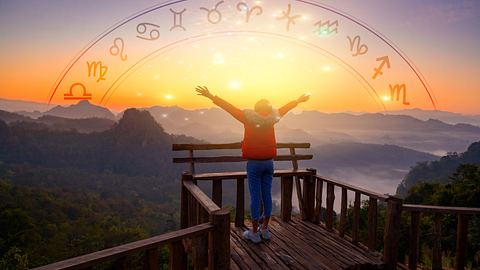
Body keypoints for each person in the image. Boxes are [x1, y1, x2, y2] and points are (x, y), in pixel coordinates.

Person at [195, 86, 310, 243]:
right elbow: (285, 108)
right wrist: (298, 100)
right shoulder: (273, 118)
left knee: (256, 197)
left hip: (254, 164)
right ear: (269, 109)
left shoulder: (246, 117)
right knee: (267, 195)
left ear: (255, 109)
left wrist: (211, 96)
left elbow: (228, 107)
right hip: (269, 163)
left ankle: (254, 233)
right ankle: (265, 230)